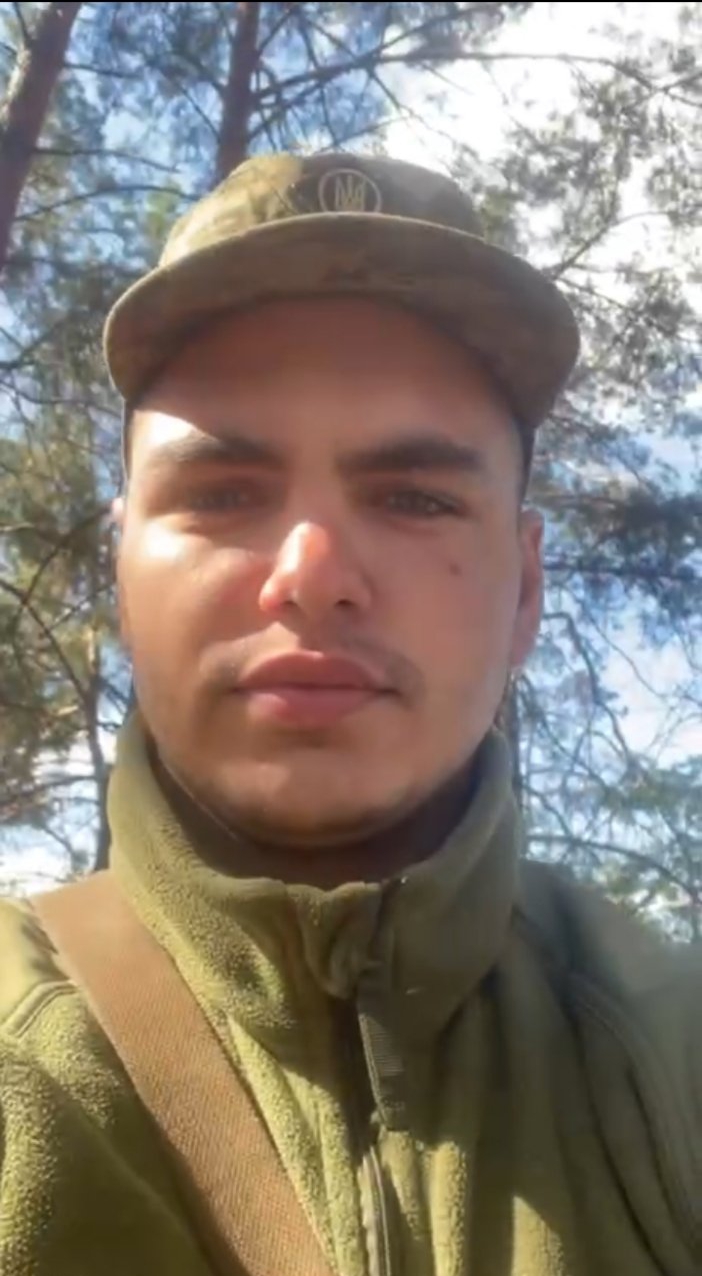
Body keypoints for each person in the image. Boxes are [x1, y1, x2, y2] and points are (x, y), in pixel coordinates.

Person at [0, 153, 699, 1276]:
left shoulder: (673, 1046)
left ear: (526, 591)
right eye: (222, 494)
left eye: (414, 497)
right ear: (121, 574)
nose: (312, 576)